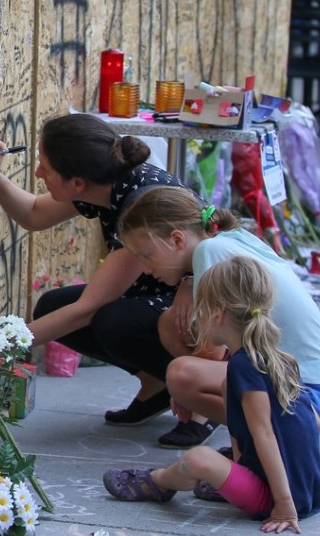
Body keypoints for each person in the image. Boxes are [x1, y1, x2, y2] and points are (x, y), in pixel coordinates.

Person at [0, 113, 189, 426]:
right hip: (159, 293)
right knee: (53, 306)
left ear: (77, 183)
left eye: (45, 168)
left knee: (110, 320)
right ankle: (157, 381)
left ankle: (198, 400)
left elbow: (87, 310)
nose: (37, 173)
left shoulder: (140, 208)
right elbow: (34, 214)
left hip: (199, 310)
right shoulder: (102, 182)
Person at [102, 256, 320, 533]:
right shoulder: (279, 358)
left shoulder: (244, 365)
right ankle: (234, 479)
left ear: (217, 316)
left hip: (278, 500)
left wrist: (285, 504)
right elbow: (309, 420)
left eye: (199, 311)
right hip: (310, 490)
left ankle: (158, 482)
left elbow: (264, 434)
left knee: (199, 458)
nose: (196, 319)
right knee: (228, 396)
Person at [118, 186, 320, 449]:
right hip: (301, 376)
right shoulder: (231, 239)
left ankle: (273, 441)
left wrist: (183, 397)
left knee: (181, 376)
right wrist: (189, 283)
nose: (145, 268)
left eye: (146, 255)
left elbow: (212, 352)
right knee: (171, 322)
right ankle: (260, 441)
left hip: (305, 388)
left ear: (178, 240)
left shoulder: (208, 252)